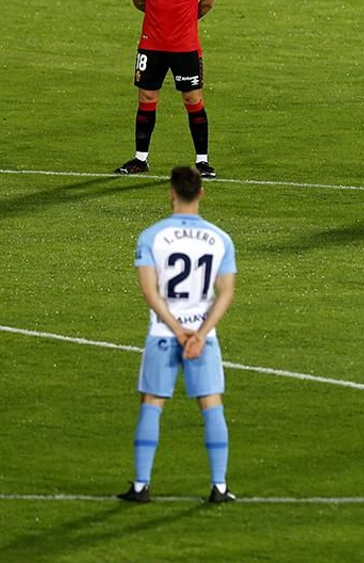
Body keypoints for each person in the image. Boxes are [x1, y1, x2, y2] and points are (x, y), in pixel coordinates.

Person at [118, 164, 238, 504]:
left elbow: (149, 291)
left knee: (152, 403)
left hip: (162, 332)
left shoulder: (152, 236)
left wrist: (177, 330)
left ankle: (141, 486)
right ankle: (219, 487)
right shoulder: (220, 239)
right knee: (211, 405)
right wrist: (199, 334)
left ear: (171, 194)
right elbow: (226, 292)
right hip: (204, 338)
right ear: (201, 192)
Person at [116, 0, 217, 178]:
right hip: (151, 44)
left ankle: (202, 161)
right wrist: (160, 18)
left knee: (193, 99)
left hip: (185, 45)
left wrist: (185, 21)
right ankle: (140, 159)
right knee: (146, 98)